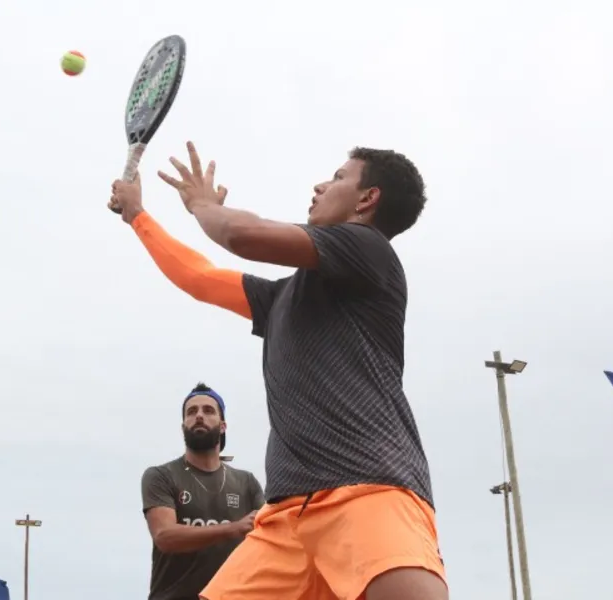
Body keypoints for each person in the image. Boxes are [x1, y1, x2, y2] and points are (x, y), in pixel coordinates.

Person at [111, 141, 448, 600]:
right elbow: (200, 278)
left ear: (367, 199)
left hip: (369, 492)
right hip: (286, 515)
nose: (320, 185)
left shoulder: (367, 248)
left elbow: (242, 236)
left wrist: (202, 205)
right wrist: (139, 218)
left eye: (337, 177)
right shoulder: (282, 298)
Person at [141, 382, 265, 600]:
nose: (199, 416)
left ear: (223, 425)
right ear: (183, 427)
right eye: (192, 411)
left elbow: (269, 540)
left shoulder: (246, 482)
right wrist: (233, 529)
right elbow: (165, 536)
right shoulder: (161, 475)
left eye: (208, 411)